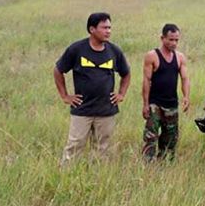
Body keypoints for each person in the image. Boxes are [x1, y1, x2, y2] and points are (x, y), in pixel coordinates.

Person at [53, 12, 131, 166]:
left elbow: (126, 73)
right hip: (82, 109)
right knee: (75, 146)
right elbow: (58, 70)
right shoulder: (76, 49)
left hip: (106, 110)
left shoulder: (114, 51)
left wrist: (121, 94)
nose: (108, 31)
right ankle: (66, 176)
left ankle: (98, 178)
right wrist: (65, 96)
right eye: (104, 28)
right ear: (92, 29)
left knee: (103, 149)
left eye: (109, 27)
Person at [141, 23, 190, 161]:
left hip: (172, 104)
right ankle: (148, 164)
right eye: (171, 39)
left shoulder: (180, 57)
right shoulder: (152, 56)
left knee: (170, 137)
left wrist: (186, 97)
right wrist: (145, 104)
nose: (174, 43)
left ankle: (164, 164)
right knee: (151, 136)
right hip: (155, 103)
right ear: (162, 38)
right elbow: (146, 81)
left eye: (176, 40)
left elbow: (185, 78)